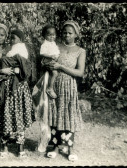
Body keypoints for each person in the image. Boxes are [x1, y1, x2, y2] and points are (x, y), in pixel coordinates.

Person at [32, 20, 86, 162]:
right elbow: (44, 61)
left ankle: (69, 148)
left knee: (68, 114)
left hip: (69, 85)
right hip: (54, 84)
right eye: (64, 32)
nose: (67, 35)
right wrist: (47, 65)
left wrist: (61, 67)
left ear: (76, 34)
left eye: (70, 33)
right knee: (55, 114)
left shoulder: (80, 51)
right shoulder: (56, 47)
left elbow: (80, 72)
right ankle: (55, 146)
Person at [0, 21, 34, 158]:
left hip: (17, 87)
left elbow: (24, 64)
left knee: (17, 114)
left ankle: (20, 147)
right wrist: (2, 70)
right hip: (1, 86)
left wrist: (18, 71)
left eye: (2, 35)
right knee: (3, 114)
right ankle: (4, 147)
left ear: (6, 36)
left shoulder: (12, 48)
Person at [40, 25, 60, 99]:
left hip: (52, 59)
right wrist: (51, 56)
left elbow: (56, 51)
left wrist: (56, 56)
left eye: (53, 35)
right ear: (44, 36)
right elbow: (42, 53)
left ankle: (52, 86)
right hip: (47, 60)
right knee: (55, 73)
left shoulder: (53, 43)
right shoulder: (45, 44)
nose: (52, 37)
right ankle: (50, 88)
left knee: (55, 73)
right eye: (49, 35)